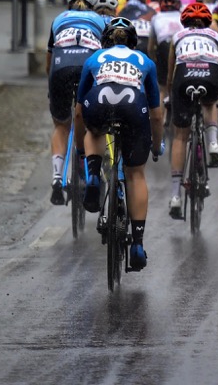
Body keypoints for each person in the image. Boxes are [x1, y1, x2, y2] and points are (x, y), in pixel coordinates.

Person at [76, 16, 164, 273]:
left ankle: (93, 175)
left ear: (105, 40)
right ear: (133, 42)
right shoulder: (145, 61)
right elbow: (157, 114)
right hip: (134, 105)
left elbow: (79, 113)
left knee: (94, 129)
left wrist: (84, 150)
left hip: (99, 100)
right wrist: (156, 146)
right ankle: (137, 244)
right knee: (136, 174)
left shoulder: (94, 59)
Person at [46, 0, 106, 205]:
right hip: (87, 67)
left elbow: (49, 60)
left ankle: (56, 177)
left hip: (60, 69)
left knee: (61, 125)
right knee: (91, 125)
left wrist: (51, 86)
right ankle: (90, 171)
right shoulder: (99, 21)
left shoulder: (58, 19)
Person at [166, 2, 218, 220]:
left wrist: (170, 94)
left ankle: (175, 196)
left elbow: (171, 73)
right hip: (211, 75)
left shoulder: (178, 36)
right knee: (210, 103)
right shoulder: (216, 35)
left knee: (180, 137)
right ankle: (212, 142)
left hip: (184, 76)